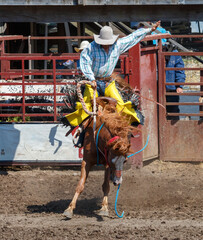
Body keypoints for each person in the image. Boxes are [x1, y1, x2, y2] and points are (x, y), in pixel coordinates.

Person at [61, 21, 161, 128]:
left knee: (121, 105)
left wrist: (149, 30)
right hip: (92, 82)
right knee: (86, 107)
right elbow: (85, 62)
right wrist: (91, 78)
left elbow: (132, 37)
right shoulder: (91, 48)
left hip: (108, 82)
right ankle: (79, 131)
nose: (107, 44)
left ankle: (130, 126)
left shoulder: (117, 45)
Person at [164, 43, 185, 120]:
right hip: (158, 88)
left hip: (171, 88)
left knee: (173, 111)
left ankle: (173, 130)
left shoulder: (175, 53)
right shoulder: (154, 53)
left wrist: (179, 85)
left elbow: (179, 69)